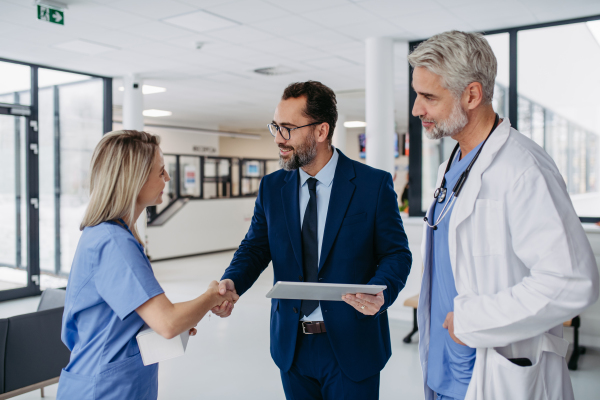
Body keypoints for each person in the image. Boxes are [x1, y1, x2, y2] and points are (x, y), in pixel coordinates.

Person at [409, 31, 599, 400]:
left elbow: (573, 280)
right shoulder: (453, 164)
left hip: (493, 375)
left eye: (429, 96)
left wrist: (474, 319)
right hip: (442, 369)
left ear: (472, 95)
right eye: (417, 94)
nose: (417, 108)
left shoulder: (523, 167)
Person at [211, 81, 412, 399]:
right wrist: (232, 282)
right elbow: (256, 246)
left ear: (321, 131)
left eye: (288, 128)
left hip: (352, 342)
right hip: (292, 345)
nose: (278, 138)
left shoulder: (373, 185)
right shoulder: (272, 187)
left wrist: (381, 292)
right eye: (276, 126)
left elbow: (396, 253)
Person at [57, 130, 238, 400]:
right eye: (160, 172)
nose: (167, 178)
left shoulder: (113, 236)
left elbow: (133, 316)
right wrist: (212, 296)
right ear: (135, 179)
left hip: (121, 381)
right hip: (104, 388)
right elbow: (167, 322)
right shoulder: (113, 243)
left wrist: (184, 317)